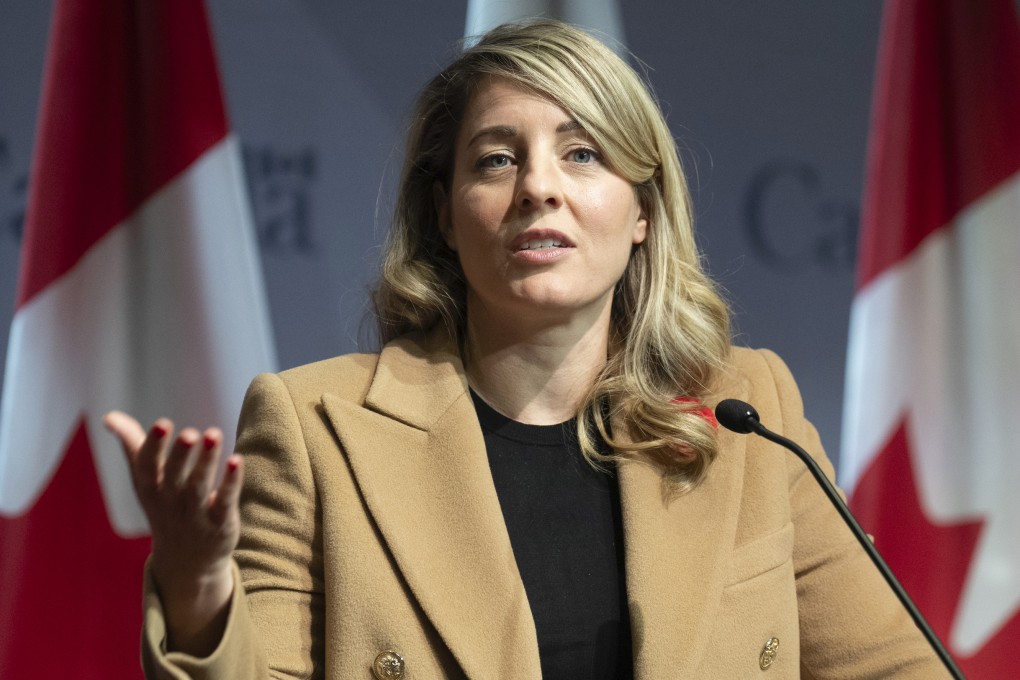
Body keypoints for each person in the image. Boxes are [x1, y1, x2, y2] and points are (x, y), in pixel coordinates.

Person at [106, 20, 949, 679]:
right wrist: (200, 587)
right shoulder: (316, 431)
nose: (539, 186)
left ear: (644, 211)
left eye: (582, 154)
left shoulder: (747, 411)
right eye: (497, 159)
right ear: (443, 213)